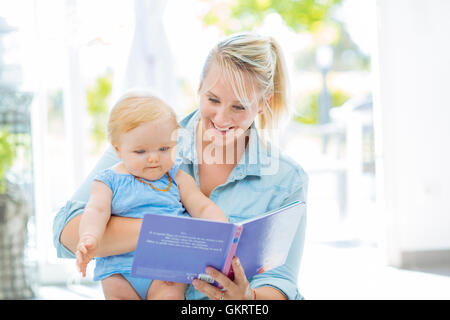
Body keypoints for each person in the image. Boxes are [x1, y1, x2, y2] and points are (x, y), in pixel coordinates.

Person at [53, 32, 308, 300]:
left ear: (263, 104)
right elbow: (65, 232)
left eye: (239, 107)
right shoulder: (146, 140)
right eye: (213, 100)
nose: (221, 118)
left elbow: (282, 283)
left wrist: (249, 300)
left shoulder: (287, 179)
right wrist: (166, 230)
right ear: (199, 88)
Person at [74, 93, 228, 300]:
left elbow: (202, 206)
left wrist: (223, 228)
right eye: (140, 151)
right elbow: (96, 211)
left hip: (165, 268)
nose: (154, 158)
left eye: (164, 148)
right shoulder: (108, 181)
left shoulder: (177, 178)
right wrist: (89, 237)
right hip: (118, 271)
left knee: (169, 295)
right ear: (118, 149)